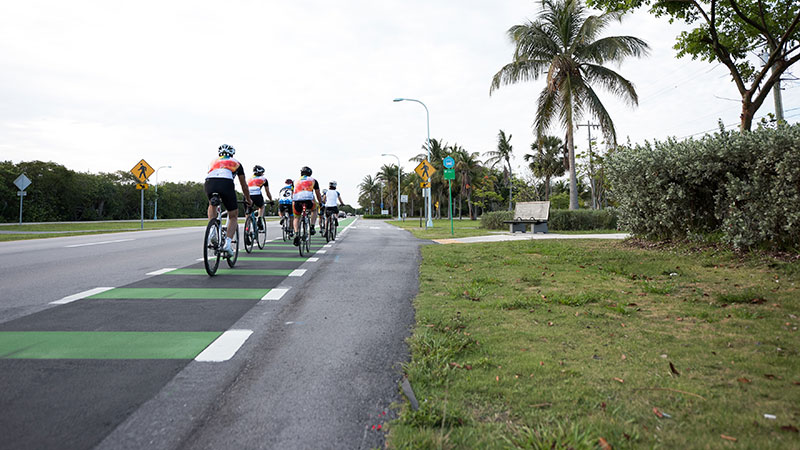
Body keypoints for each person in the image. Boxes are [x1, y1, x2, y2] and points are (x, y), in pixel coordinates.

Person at [205, 144, 252, 257]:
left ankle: (212, 229)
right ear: (232, 154)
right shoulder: (236, 163)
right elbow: (244, 185)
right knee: (233, 215)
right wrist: (248, 199)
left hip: (209, 183)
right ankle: (227, 243)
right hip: (226, 183)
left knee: (212, 204)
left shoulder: (213, 161)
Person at [292, 166, 323, 246]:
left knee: (296, 218)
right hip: (309, 200)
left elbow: (293, 192)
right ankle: (312, 226)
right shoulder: (313, 180)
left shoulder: (295, 181)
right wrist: (320, 203)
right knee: (314, 210)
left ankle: (296, 233)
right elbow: (318, 194)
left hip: (297, 200)